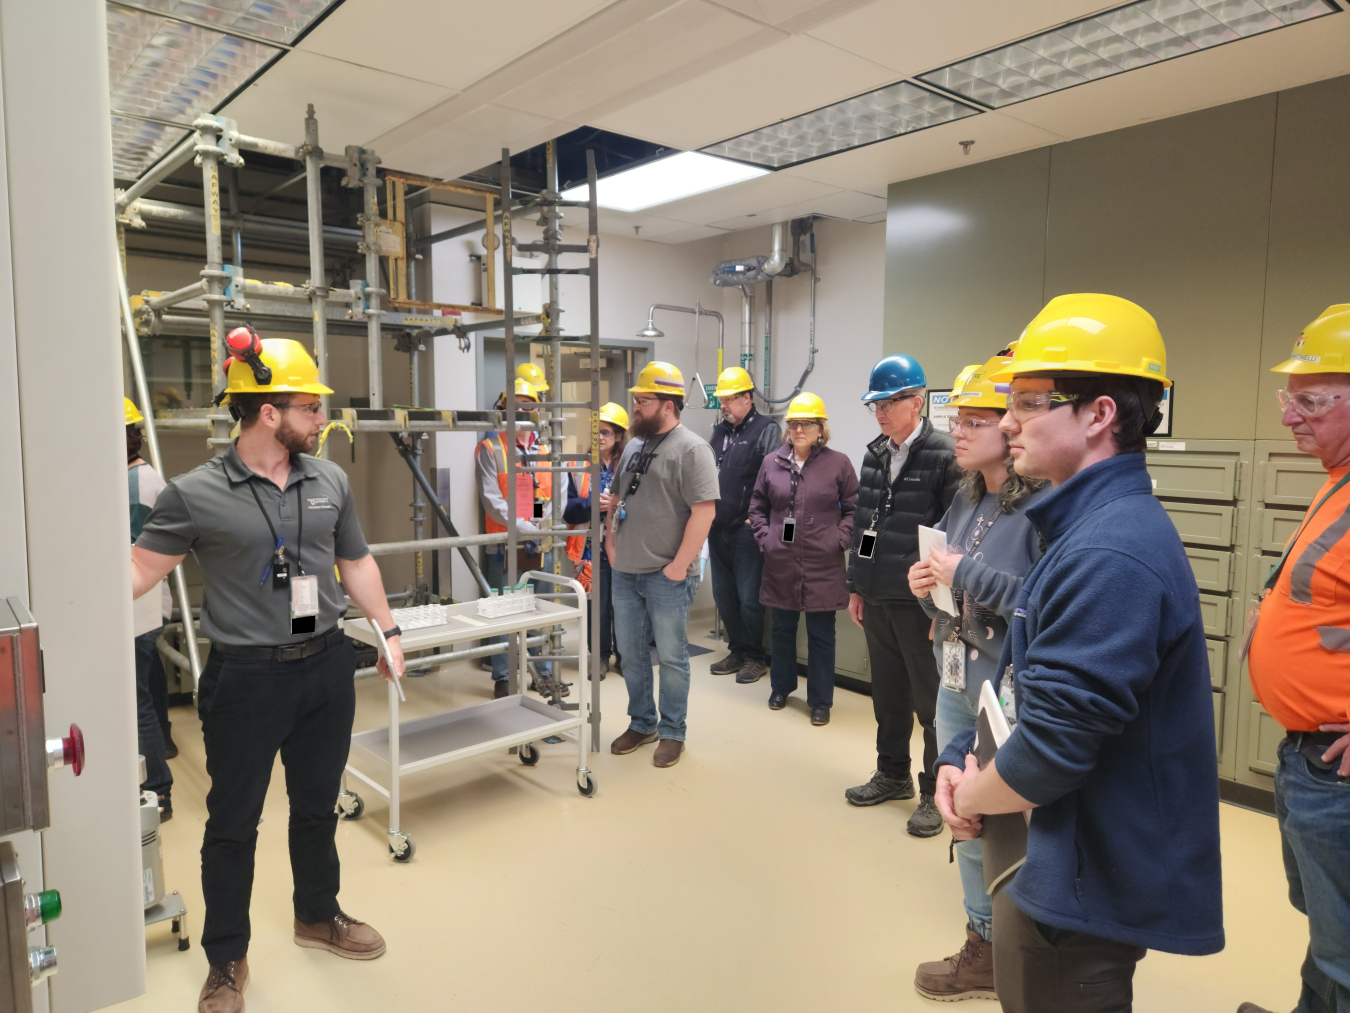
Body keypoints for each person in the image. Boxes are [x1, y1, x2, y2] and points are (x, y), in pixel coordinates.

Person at [936, 294, 1224, 1012]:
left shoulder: (1110, 549)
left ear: (1098, 414)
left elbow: (1054, 749)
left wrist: (970, 796)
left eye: (1029, 402)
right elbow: (1021, 678)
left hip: (1076, 880)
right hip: (1051, 853)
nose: (1008, 422)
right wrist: (961, 759)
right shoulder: (1080, 526)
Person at [130, 336, 402, 1013]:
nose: (319, 419)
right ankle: (226, 957)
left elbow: (357, 562)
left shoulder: (329, 480)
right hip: (245, 678)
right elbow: (139, 569)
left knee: (316, 806)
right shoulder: (193, 494)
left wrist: (389, 631)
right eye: (309, 407)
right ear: (267, 413)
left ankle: (318, 913)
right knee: (232, 822)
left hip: (326, 668)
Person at [905, 355, 1047, 1003]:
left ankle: (1013, 946)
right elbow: (951, 573)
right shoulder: (969, 496)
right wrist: (927, 585)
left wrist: (963, 575)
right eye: (956, 419)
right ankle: (983, 938)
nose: (959, 430)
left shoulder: (1042, 508)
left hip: (1003, 692)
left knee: (1001, 823)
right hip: (955, 673)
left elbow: (1037, 599)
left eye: (977, 419)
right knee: (961, 815)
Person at [1241, 304, 1350, 1013]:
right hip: (1307, 759)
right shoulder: (1336, 479)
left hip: (1337, 774)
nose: (1289, 417)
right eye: (1292, 399)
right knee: (1328, 931)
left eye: (1309, 401)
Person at [844, 353, 959, 839]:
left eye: (889, 403)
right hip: (877, 597)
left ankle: (935, 791)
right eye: (875, 405)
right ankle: (891, 774)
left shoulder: (944, 456)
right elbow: (863, 526)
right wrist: (856, 585)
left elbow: (953, 538)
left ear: (916, 402)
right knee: (887, 695)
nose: (881, 413)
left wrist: (939, 607)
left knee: (930, 701)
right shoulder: (875, 454)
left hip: (920, 605)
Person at [602, 362, 719, 768]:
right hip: (626, 571)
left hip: (667, 576)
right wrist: (611, 544)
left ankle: (672, 731)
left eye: (643, 400)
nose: (635, 407)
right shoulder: (634, 446)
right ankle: (642, 722)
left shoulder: (692, 449)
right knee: (630, 656)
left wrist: (678, 566)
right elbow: (616, 499)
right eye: (636, 400)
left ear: (668, 405)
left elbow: (704, 513)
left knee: (671, 656)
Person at [747, 392, 857, 726]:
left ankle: (821, 700)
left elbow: (855, 510)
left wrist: (840, 540)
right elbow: (757, 507)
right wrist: (767, 539)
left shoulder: (838, 463)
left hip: (824, 563)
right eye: (793, 424)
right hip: (781, 561)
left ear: (821, 428)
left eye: (806, 423)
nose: (798, 430)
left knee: (822, 633)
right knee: (782, 628)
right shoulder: (772, 462)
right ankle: (781, 687)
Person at [475, 377, 555, 698]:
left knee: (540, 609)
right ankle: (503, 676)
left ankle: (542, 671)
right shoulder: (490, 448)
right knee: (502, 612)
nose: (521, 410)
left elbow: (549, 494)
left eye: (528, 404)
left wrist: (540, 522)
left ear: (536, 409)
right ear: (502, 409)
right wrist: (524, 526)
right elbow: (492, 501)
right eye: (515, 404)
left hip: (539, 544)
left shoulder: (547, 448)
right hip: (502, 546)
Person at [706, 366, 779, 685]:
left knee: (750, 597)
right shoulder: (720, 431)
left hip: (746, 530)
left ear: (747, 398)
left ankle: (755, 656)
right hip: (716, 526)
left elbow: (774, 477)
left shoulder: (766, 428)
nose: (723, 404)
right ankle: (736, 650)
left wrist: (758, 517)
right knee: (724, 596)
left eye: (729, 399)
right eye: (721, 399)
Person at [126, 397, 175, 818]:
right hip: (141, 606)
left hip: (140, 604)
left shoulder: (140, 483)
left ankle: (158, 791)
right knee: (148, 688)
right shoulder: (133, 477)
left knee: (139, 700)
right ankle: (165, 751)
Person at [563, 401, 628, 675]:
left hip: (626, 548)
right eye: (596, 432)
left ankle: (625, 656)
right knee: (595, 609)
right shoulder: (577, 466)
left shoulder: (630, 466)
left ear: (619, 437)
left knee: (626, 607)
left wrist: (617, 507)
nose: (600, 438)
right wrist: (592, 503)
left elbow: (645, 503)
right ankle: (599, 656)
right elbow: (565, 509)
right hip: (590, 550)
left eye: (606, 433)